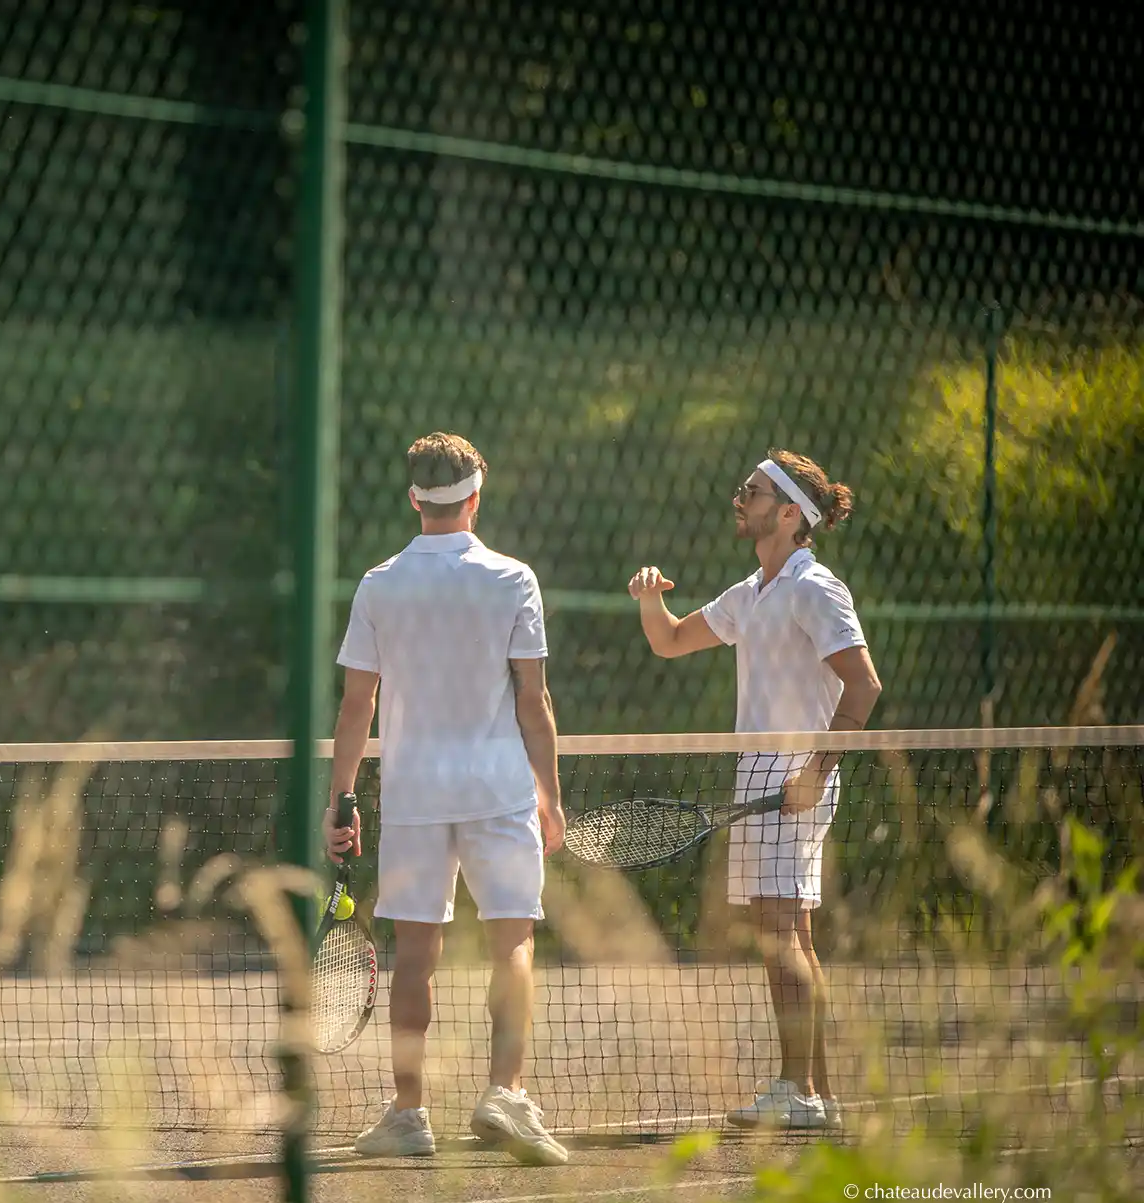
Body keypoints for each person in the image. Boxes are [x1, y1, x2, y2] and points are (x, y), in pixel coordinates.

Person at [327, 432, 570, 1165]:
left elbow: (353, 708)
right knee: (514, 942)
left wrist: (341, 801)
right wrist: (550, 796)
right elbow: (535, 701)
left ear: (413, 497)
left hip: (412, 795)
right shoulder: (514, 579)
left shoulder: (378, 583)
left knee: (414, 958)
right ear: (476, 494)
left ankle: (409, 1114)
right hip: (499, 792)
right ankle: (506, 1094)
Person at [627, 449, 882, 1130]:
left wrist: (814, 772)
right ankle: (816, 1095)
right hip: (762, 774)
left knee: (782, 933)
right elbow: (671, 640)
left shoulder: (815, 588)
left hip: (797, 772)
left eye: (755, 490)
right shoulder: (754, 592)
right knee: (787, 931)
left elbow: (863, 684)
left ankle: (797, 1089)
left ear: (792, 512)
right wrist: (652, 599)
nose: (741, 498)